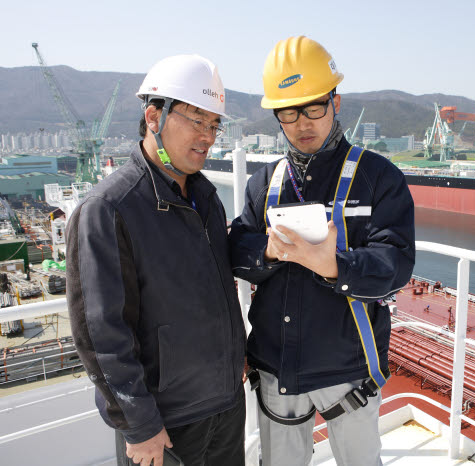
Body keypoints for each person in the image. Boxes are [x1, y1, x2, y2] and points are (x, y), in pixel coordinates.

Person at [229, 36, 415, 466]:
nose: (302, 122)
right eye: (289, 111)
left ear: (336, 102)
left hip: (348, 369)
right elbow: (237, 247)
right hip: (276, 365)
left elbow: (397, 263)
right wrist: (269, 253)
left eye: (314, 106)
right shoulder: (265, 183)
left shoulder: (377, 177)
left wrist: (336, 265)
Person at [66, 54, 246, 466]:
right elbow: (101, 333)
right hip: (165, 423)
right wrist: (139, 424)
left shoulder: (206, 199)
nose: (208, 136)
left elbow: (217, 292)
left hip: (225, 406)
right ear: (154, 116)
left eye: (214, 124)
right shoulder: (110, 208)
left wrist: (234, 357)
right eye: (196, 120)